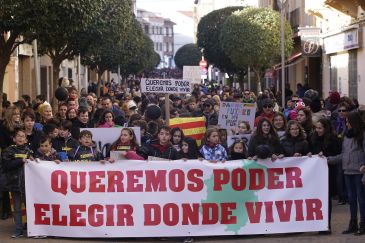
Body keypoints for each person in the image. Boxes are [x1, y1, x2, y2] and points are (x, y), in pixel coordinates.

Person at [327, 111, 365, 235]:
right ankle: (353, 222)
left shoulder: (362, 136)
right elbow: (343, 155)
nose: (346, 124)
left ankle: (363, 224)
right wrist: (328, 160)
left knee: (361, 199)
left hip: (359, 172)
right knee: (352, 199)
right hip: (347, 171)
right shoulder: (346, 137)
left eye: (348, 121)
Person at [310, 118, 342, 234]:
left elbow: (338, 155)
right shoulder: (313, 138)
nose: (317, 130)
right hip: (316, 174)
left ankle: (326, 224)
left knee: (326, 199)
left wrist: (326, 157)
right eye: (316, 128)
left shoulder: (333, 140)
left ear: (326, 128)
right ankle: (318, 224)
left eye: (320, 128)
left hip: (328, 173)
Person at [1, 128, 33, 238]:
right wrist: (21, 161)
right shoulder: (8, 150)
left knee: (29, 207)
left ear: (25, 139)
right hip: (14, 184)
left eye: (23, 136)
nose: (20, 138)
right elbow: (6, 166)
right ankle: (18, 229)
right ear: (14, 139)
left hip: (27, 185)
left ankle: (31, 229)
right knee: (17, 209)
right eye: (18, 136)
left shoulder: (29, 151)